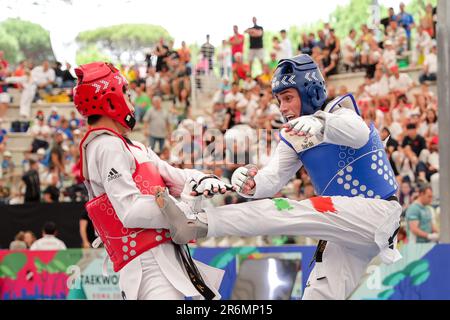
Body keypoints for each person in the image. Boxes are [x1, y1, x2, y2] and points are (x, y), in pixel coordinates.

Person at [156, 54, 402, 300]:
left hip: (377, 214)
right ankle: (198, 223)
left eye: (288, 98)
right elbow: (270, 181)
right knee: (318, 295)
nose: (282, 108)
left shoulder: (340, 112)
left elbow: (358, 134)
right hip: (345, 230)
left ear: (310, 94)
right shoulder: (294, 136)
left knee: (286, 209)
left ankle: (199, 223)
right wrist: (249, 185)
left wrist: (319, 122)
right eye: (279, 100)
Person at [72, 61, 231, 300]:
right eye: (126, 93)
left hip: (165, 258)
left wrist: (202, 179)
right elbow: (130, 210)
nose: (131, 100)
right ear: (109, 98)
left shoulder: (133, 146)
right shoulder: (106, 145)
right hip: (146, 265)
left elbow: (173, 176)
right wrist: (183, 209)